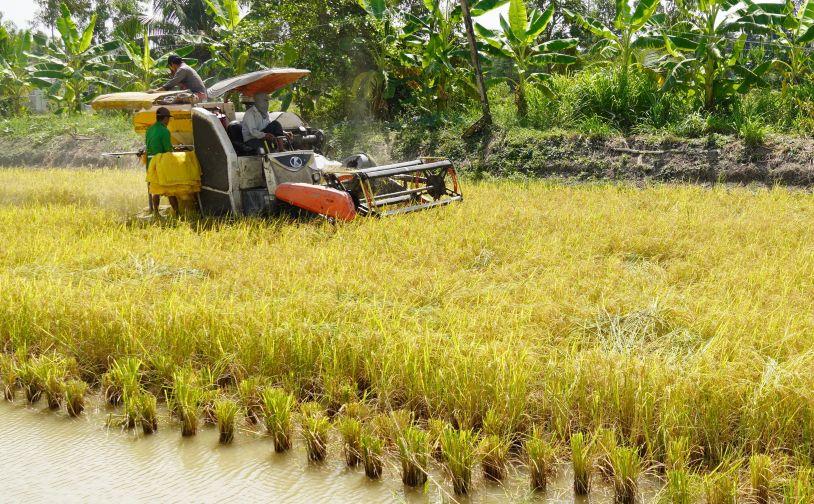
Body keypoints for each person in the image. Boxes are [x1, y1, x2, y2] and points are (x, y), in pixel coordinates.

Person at [145, 107, 179, 214]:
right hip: (160, 162)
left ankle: (155, 212)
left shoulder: (149, 129)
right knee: (170, 189)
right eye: (168, 118)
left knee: (155, 189)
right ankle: (177, 213)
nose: (168, 121)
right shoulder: (165, 131)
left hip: (150, 163)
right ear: (164, 118)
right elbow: (168, 150)